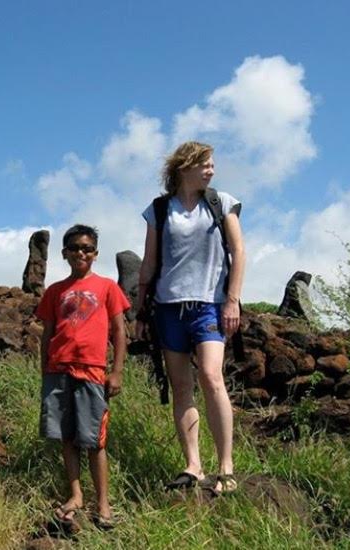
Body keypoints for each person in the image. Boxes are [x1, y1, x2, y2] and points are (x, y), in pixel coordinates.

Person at [135, 141, 245, 495]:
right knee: (181, 386)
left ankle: (226, 465)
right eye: (205, 164)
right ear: (185, 167)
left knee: (212, 377)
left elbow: (238, 251)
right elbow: (149, 263)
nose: (211, 170)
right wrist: (140, 309)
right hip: (169, 306)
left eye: (212, 164)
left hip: (209, 305)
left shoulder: (221, 203)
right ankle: (193, 464)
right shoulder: (159, 210)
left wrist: (232, 301)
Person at [36, 224, 130, 529]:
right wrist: (44, 370)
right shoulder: (54, 291)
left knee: (94, 440)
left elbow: (119, 331)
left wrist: (116, 370)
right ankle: (76, 494)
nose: (81, 253)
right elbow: (47, 333)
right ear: (64, 253)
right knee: (66, 436)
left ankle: (103, 503)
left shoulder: (107, 287)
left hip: (91, 371)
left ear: (95, 253)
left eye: (87, 248)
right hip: (58, 369)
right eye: (75, 248)